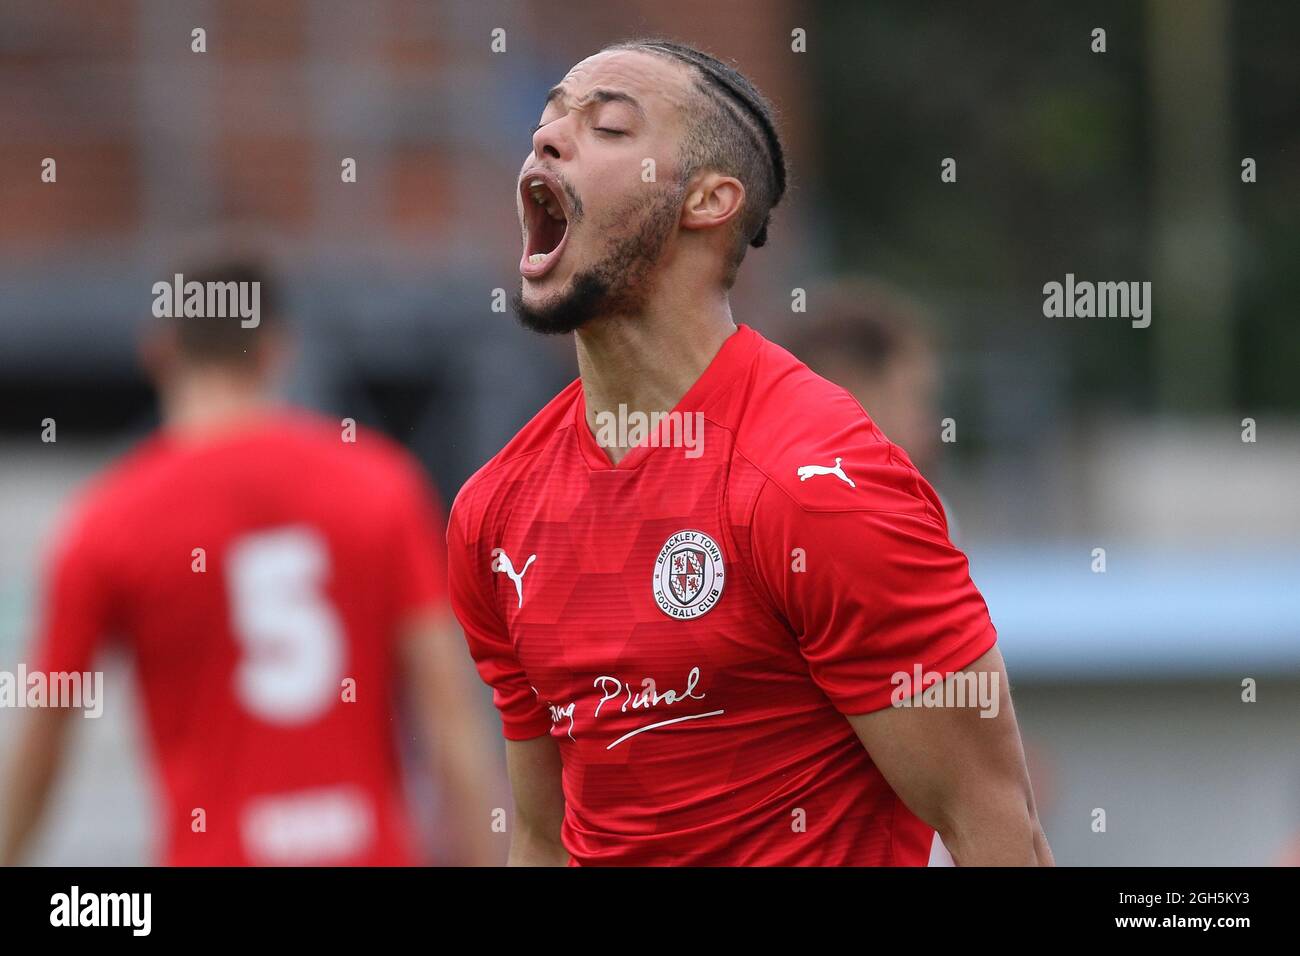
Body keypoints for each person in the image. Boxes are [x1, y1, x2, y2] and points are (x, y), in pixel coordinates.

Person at [447, 39, 1053, 865]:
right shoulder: (494, 512)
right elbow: (540, 836)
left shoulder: (819, 486)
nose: (548, 138)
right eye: (549, 119)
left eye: (609, 127)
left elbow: (994, 829)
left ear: (709, 199)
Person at [0, 256, 500, 866]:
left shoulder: (107, 522)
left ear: (158, 349)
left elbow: (44, 735)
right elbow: (450, 723)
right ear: (275, 350)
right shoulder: (382, 485)